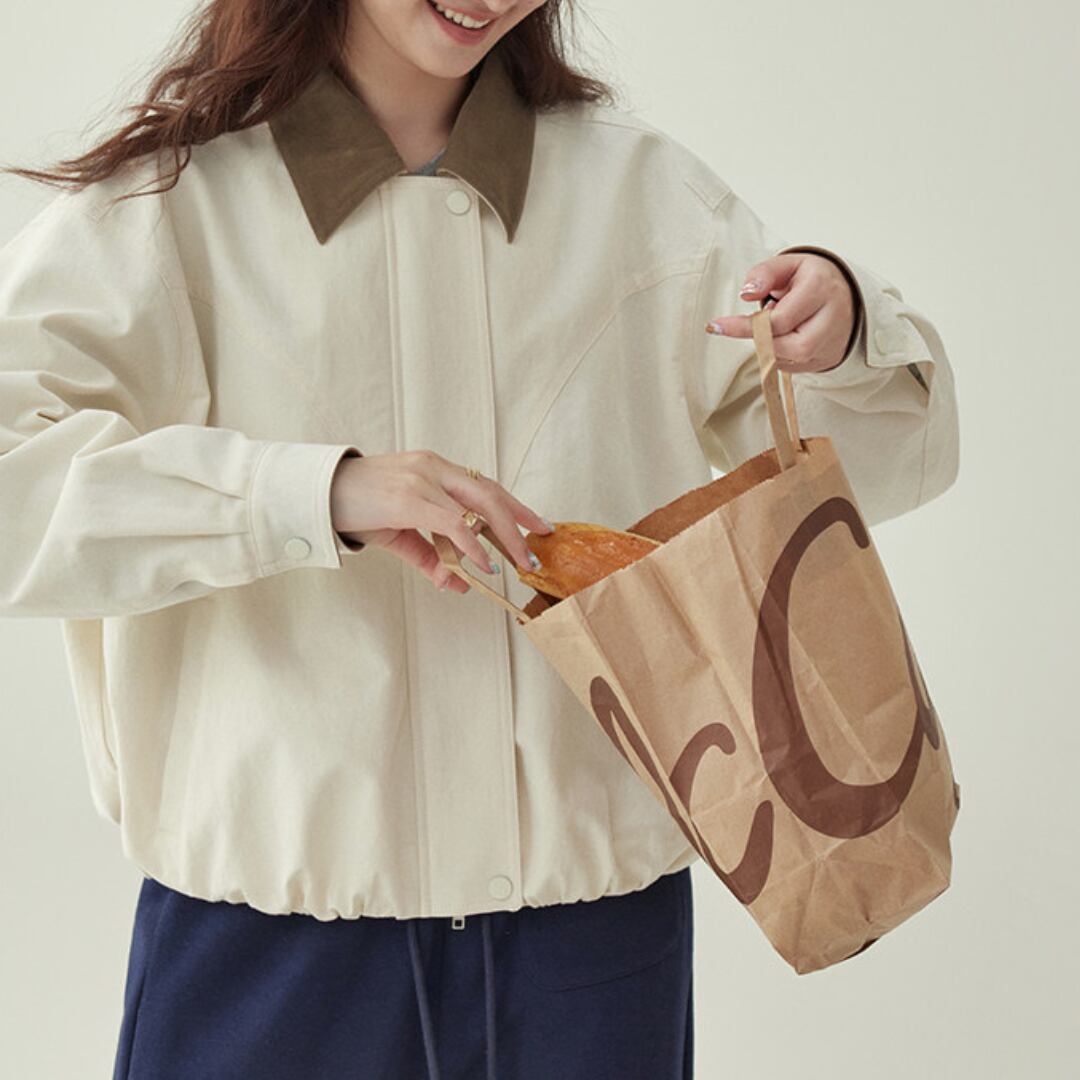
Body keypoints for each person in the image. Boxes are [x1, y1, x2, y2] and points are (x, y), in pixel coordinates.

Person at [0, 1, 959, 1077]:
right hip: (271, 956)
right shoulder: (174, 211)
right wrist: (312, 493)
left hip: (590, 953)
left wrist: (844, 332)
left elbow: (857, 472)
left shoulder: (641, 196)